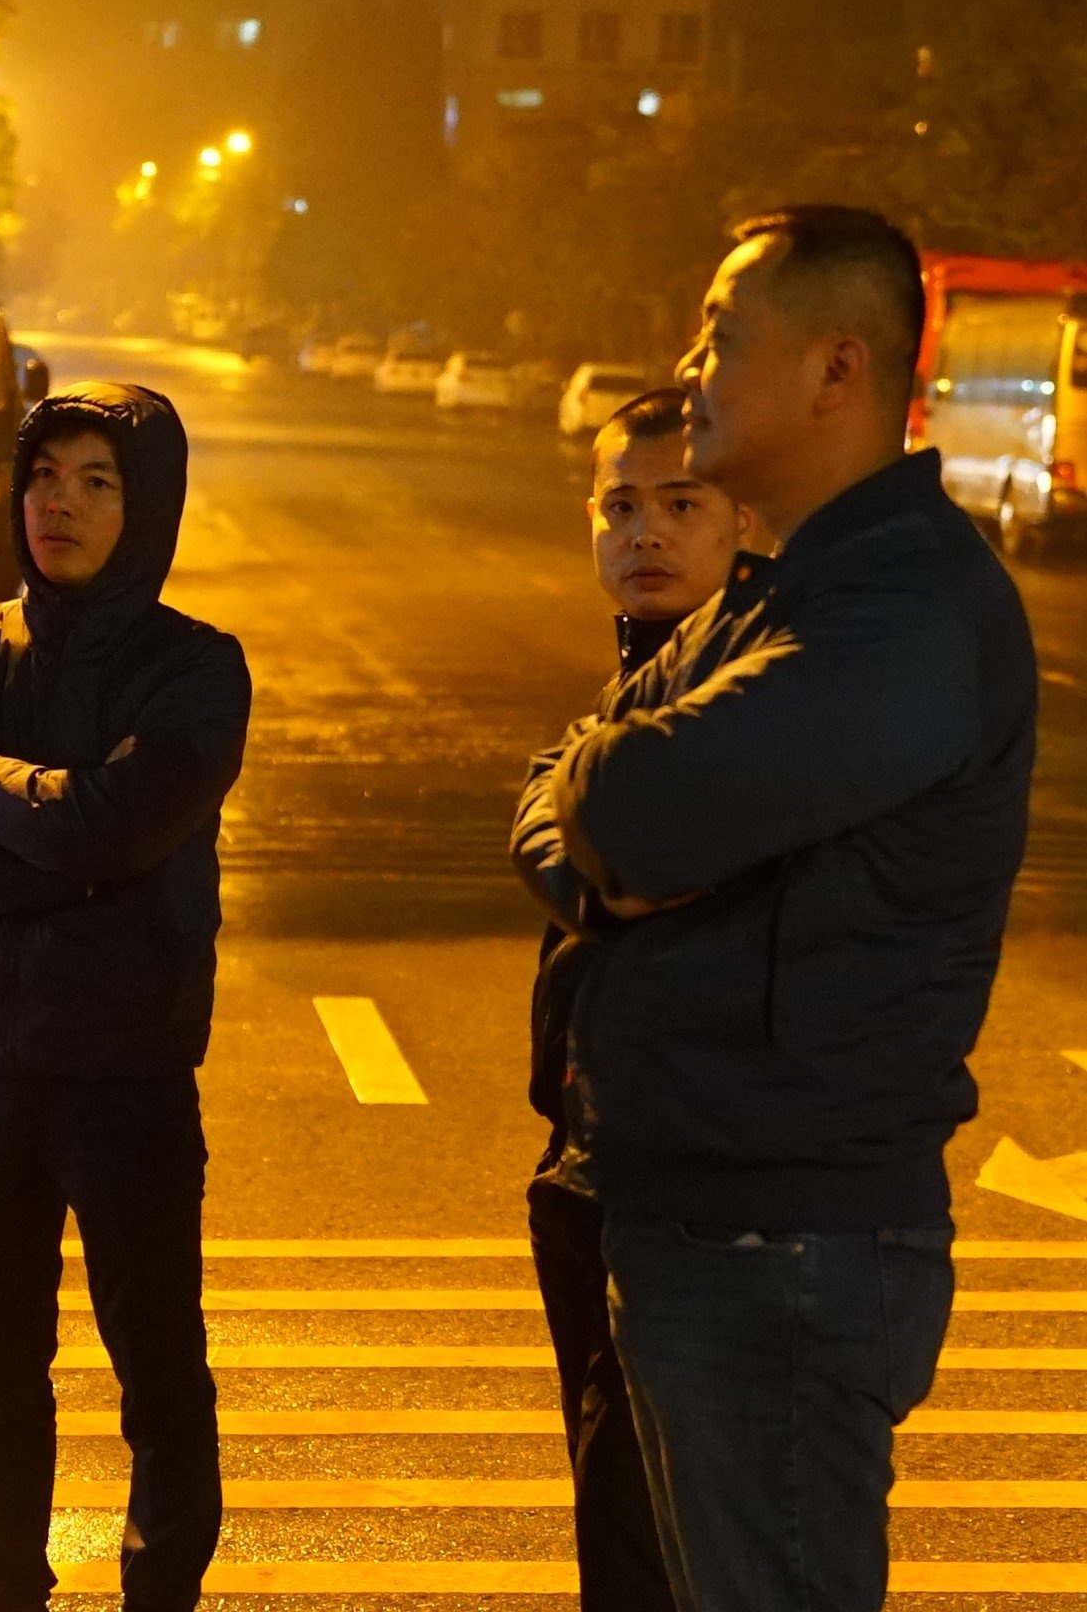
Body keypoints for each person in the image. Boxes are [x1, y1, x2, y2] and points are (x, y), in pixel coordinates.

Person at [523, 207, 1037, 1612]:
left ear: (836, 370)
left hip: (784, 1249)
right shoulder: (781, 597)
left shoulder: (900, 609)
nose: (690, 366)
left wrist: (603, 827)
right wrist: (602, 849)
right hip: (706, 1221)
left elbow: (625, 802)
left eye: (722, 335)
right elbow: (568, 788)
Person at [0, 383, 252, 1612]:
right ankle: (2, 1583)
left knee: (157, 1359)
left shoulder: (194, 668)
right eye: (43, 477)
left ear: (147, 507)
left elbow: (121, 824)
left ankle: (161, 1586)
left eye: (96, 481)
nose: (60, 505)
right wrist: (67, 866)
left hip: (126, 1063)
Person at [513, 387, 751, 1612]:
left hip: (691, 1175)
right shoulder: (617, 698)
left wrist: (572, 843)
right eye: (619, 507)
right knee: (616, 1512)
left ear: (739, 520)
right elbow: (548, 822)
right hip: (587, 1158)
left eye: (679, 502)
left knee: (663, 1529)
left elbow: (635, 852)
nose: (644, 531)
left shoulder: (756, 695)